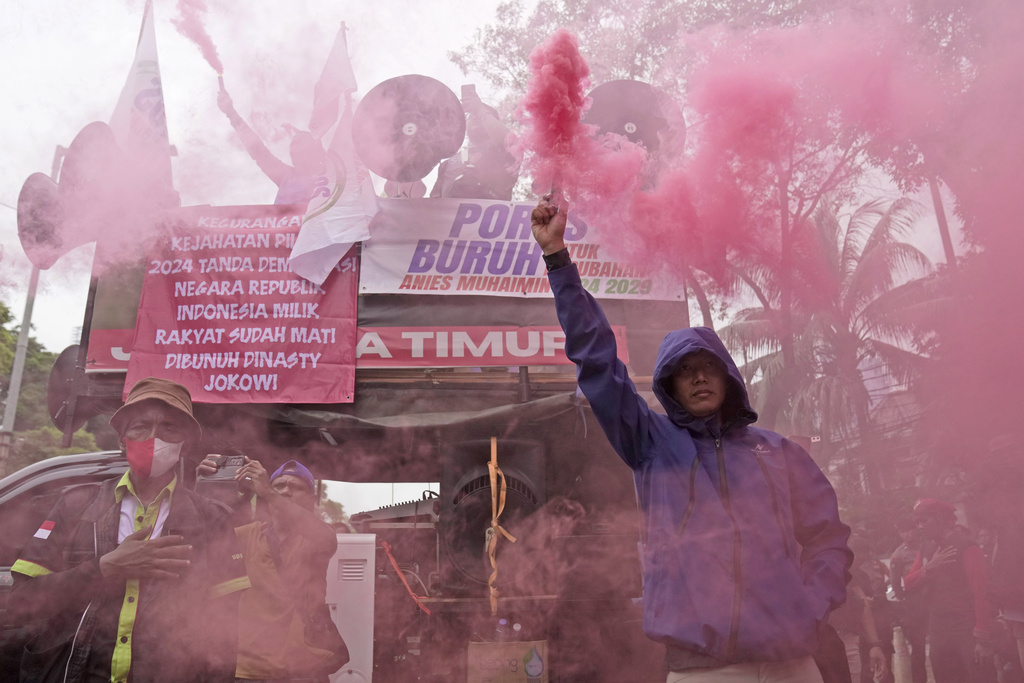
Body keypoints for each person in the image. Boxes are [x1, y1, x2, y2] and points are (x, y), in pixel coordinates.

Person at [530, 198, 853, 682]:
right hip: (703, 669)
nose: (699, 379)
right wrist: (556, 257)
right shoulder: (652, 444)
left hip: (793, 662)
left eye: (707, 368)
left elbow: (829, 539)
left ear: (727, 377)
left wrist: (809, 607)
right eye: (685, 372)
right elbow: (597, 361)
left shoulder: (779, 452)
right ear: (668, 385)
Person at [8, 377, 249, 683]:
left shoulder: (213, 519)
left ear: (185, 445)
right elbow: (21, 604)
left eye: (169, 428)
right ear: (122, 439)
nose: (153, 438)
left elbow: (225, 636)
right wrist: (103, 568)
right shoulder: (75, 506)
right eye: (140, 426)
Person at [196, 456, 345, 682]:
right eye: (280, 486)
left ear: (313, 499)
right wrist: (201, 488)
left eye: (296, 487)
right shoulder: (247, 535)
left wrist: (268, 491)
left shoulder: (317, 536)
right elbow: (203, 537)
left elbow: (325, 538)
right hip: (250, 671)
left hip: (304, 670)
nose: (286, 491)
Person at [903, 497, 994, 683]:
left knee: (978, 677)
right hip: (938, 627)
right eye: (917, 522)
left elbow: (982, 594)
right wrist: (929, 568)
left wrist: (982, 637)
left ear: (940, 519)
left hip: (966, 626)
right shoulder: (927, 549)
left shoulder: (967, 546)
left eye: (924, 520)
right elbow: (908, 582)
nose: (920, 527)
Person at [218, 79, 327, 208]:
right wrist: (231, 114)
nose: (294, 147)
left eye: (300, 142)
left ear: (315, 149)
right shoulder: (286, 176)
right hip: (285, 228)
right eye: (293, 145)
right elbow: (257, 150)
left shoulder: (335, 176)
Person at [889, 517, 929, 683]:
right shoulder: (898, 555)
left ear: (916, 529)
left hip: (934, 600)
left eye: (909, 529)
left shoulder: (928, 546)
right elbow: (895, 582)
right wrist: (906, 600)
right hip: (914, 603)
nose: (907, 534)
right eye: (903, 531)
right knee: (918, 648)